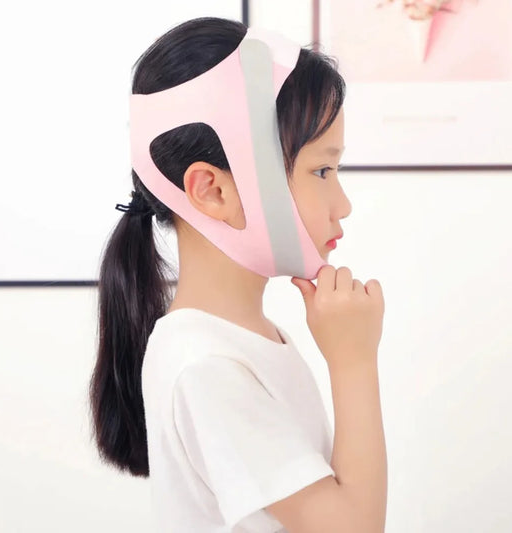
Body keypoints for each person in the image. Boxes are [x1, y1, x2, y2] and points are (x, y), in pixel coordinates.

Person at [89, 16, 387, 533]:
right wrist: (354, 361)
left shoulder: (239, 341)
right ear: (212, 190)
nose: (343, 205)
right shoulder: (206, 365)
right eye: (321, 171)